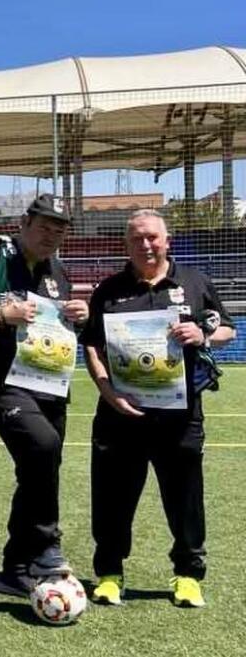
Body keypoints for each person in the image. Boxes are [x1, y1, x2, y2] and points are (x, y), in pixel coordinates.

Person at [82, 209, 234, 609]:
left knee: (185, 499)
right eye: (136, 238)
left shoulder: (195, 282)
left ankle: (187, 575)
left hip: (180, 417)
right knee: (112, 499)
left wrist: (203, 334)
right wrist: (107, 390)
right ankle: (110, 574)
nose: (145, 245)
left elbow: (228, 329)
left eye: (151, 237)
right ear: (126, 244)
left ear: (167, 240)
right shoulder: (109, 290)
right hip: (120, 415)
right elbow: (92, 345)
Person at [0, 194, 89, 596]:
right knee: (42, 447)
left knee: (40, 466)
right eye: (45, 226)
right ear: (25, 223)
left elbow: (56, 325)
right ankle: (47, 544)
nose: (51, 236)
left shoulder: (56, 270)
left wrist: (77, 314)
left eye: (59, 229)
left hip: (49, 382)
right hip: (2, 384)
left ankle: (15, 569)